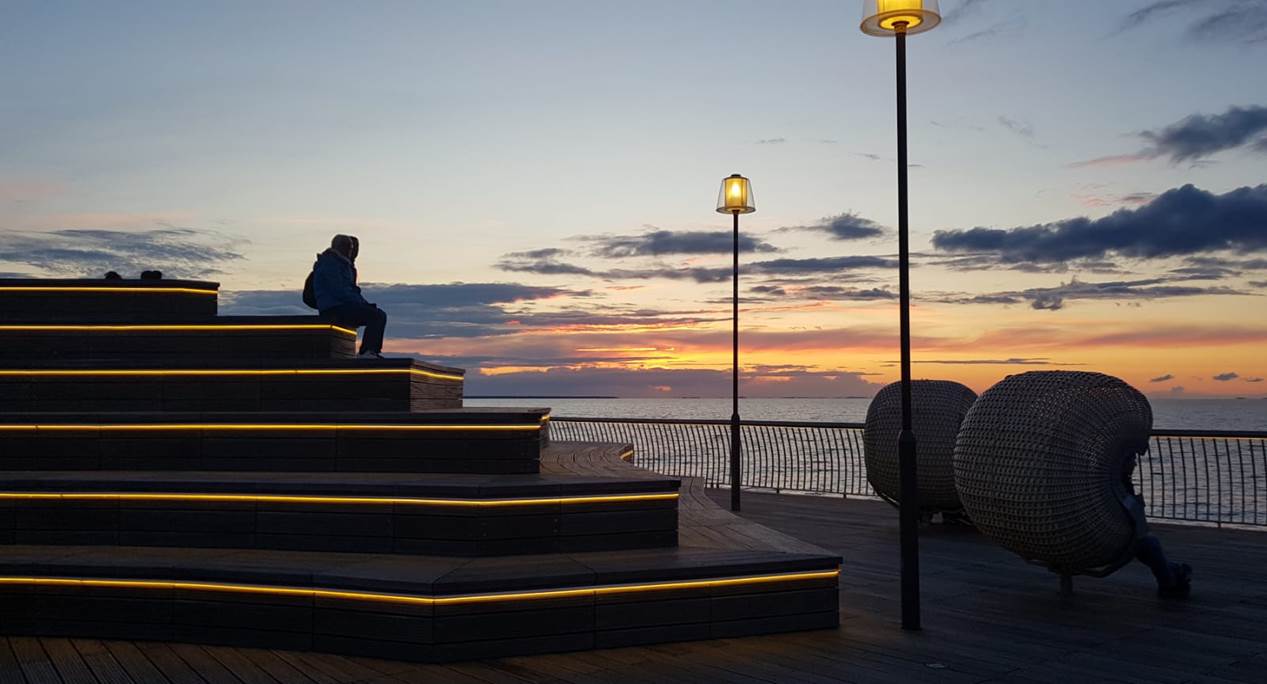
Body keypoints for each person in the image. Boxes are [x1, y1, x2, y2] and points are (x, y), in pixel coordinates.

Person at [1121, 453, 1192, 598]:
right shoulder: (1118, 489)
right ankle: (1170, 580)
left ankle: (1173, 572)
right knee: (1149, 543)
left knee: (1144, 545)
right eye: (1132, 460)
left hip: (1080, 544)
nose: (1135, 464)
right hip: (1111, 542)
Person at [311, 234, 387, 359]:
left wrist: (363, 304)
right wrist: (361, 304)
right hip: (334, 307)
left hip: (339, 305)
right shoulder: (331, 264)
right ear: (339, 247)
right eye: (348, 247)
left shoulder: (342, 264)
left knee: (377, 314)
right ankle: (368, 352)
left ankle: (369, 351)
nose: (351, 251)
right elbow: (340, 290)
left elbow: (350, 290)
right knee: (377, 316)